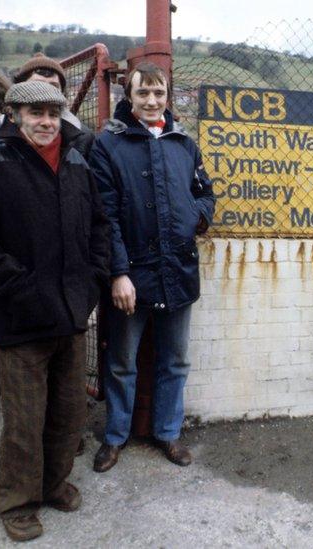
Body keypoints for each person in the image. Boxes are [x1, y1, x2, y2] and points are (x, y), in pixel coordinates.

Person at [0, 81, 110, 542]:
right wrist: (23, 289)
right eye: (36, 113)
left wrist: (91, 283)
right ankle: (17, 500)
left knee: (68, 411)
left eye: (53, 113)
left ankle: (54, 483)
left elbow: (99, 226)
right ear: (14, 114)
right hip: (18, 319)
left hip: (70, 314)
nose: (46, 121)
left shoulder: (76, 162)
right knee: (23, 418)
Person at [88, 62, 215, 472]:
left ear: (167, 96)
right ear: (130, 95)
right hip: (133, 274)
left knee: (175, 360)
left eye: (159, 93)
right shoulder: (108, 145)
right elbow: (104, 215)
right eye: (143, 93)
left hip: (177, 269)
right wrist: (118, 273)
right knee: (122, 361)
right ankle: (114, 437)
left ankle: (168, 433)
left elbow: (205, 193)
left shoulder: (183, 142)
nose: (151, 101)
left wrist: (194, 216)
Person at [0, 53, 94, 157]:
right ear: (19, 89)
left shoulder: (83, 136)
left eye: (53, 86)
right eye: (36, 85)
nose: (45, 92)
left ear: (62, 93)